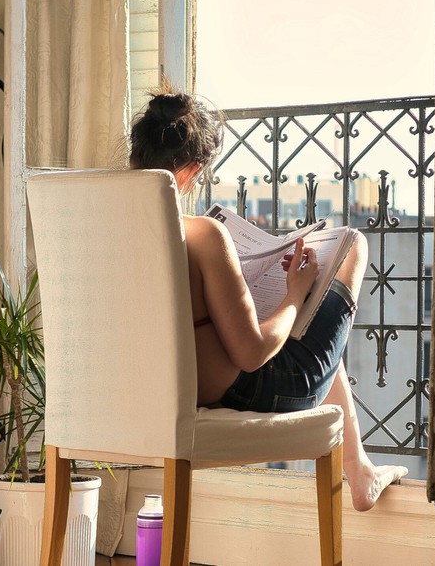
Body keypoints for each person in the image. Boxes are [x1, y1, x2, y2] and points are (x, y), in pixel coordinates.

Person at [129, 82, 408, 512]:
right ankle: (361, 471)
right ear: (189, 172)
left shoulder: (108, 230)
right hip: (250, 389)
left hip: (152, 392)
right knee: (351, 245)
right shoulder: (202, 235)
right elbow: (252, 353)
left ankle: (361, 470)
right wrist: (295, 295)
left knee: (305, 336)